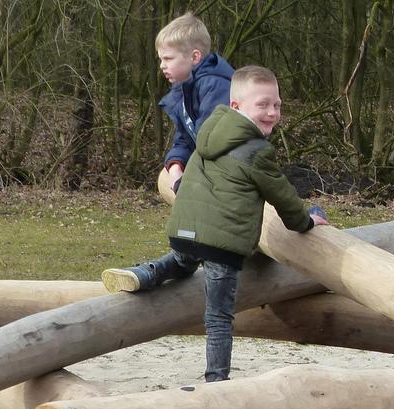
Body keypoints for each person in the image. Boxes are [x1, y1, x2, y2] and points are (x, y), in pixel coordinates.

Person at [102, 65, 330, 383]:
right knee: (219, 315)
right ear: (236, 106)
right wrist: (306, 222)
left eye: (277, 105)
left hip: (184, 232)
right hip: (221, 247)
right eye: (262, 104)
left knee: (181, 264)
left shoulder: (209, 134)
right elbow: (284, 198)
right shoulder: (256, 151)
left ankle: (145, 274)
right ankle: (216, 379)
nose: (272, 112)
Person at [155, 12, 234, 198]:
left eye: (168, 59)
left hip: (229, 181)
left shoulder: (214, 86)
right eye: (161, 59)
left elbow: (212, 144)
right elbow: (185, 138)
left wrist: (189, 179)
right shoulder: (185, 88)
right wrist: (175, 165)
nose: (161, 66)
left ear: (195, 57)